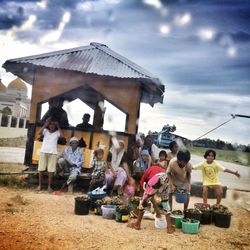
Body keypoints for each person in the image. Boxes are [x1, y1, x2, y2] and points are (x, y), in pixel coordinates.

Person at [128, 169, 175, 234]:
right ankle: (169, 228)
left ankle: (137, 224)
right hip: (166, 178)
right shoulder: (147, 172)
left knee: (144, 201)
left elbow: (146, 197)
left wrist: (145, 199)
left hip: (158, 178)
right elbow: (151, 196)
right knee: (165, 201)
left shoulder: (142, 180)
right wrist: (158, 212)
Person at [37, 118, 63, 192]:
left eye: (53, 124)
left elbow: (61, 136)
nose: (52, 126)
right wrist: (45, 124)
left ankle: (49, 187)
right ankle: (39, 185)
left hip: (53, 153)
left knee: (50, 171)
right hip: (43, 152)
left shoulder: (57, 132)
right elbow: (39, 133)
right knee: (41, 170)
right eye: (50, 124)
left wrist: (58, 126)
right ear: (48, 125)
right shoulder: (45, 131)